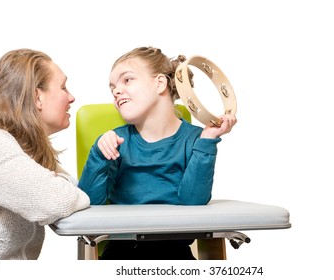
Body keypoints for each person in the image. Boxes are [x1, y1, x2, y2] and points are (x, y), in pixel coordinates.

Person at [78, 46, 237, 260]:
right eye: (112, 88)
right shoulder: (117, 141)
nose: (116, 91)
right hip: (121, 251)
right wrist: (99, 152)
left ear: (160, 83)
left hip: (175, 252)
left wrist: (208, 141)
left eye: (127, 80)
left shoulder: (197, 140)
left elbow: (193, 201)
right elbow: (91, 202)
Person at [0, 49, 90, 260]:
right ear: (37, 96)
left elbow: (71, 187)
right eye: (63, 87)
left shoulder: (21, 151)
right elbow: (58, 200)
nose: (71, 97)